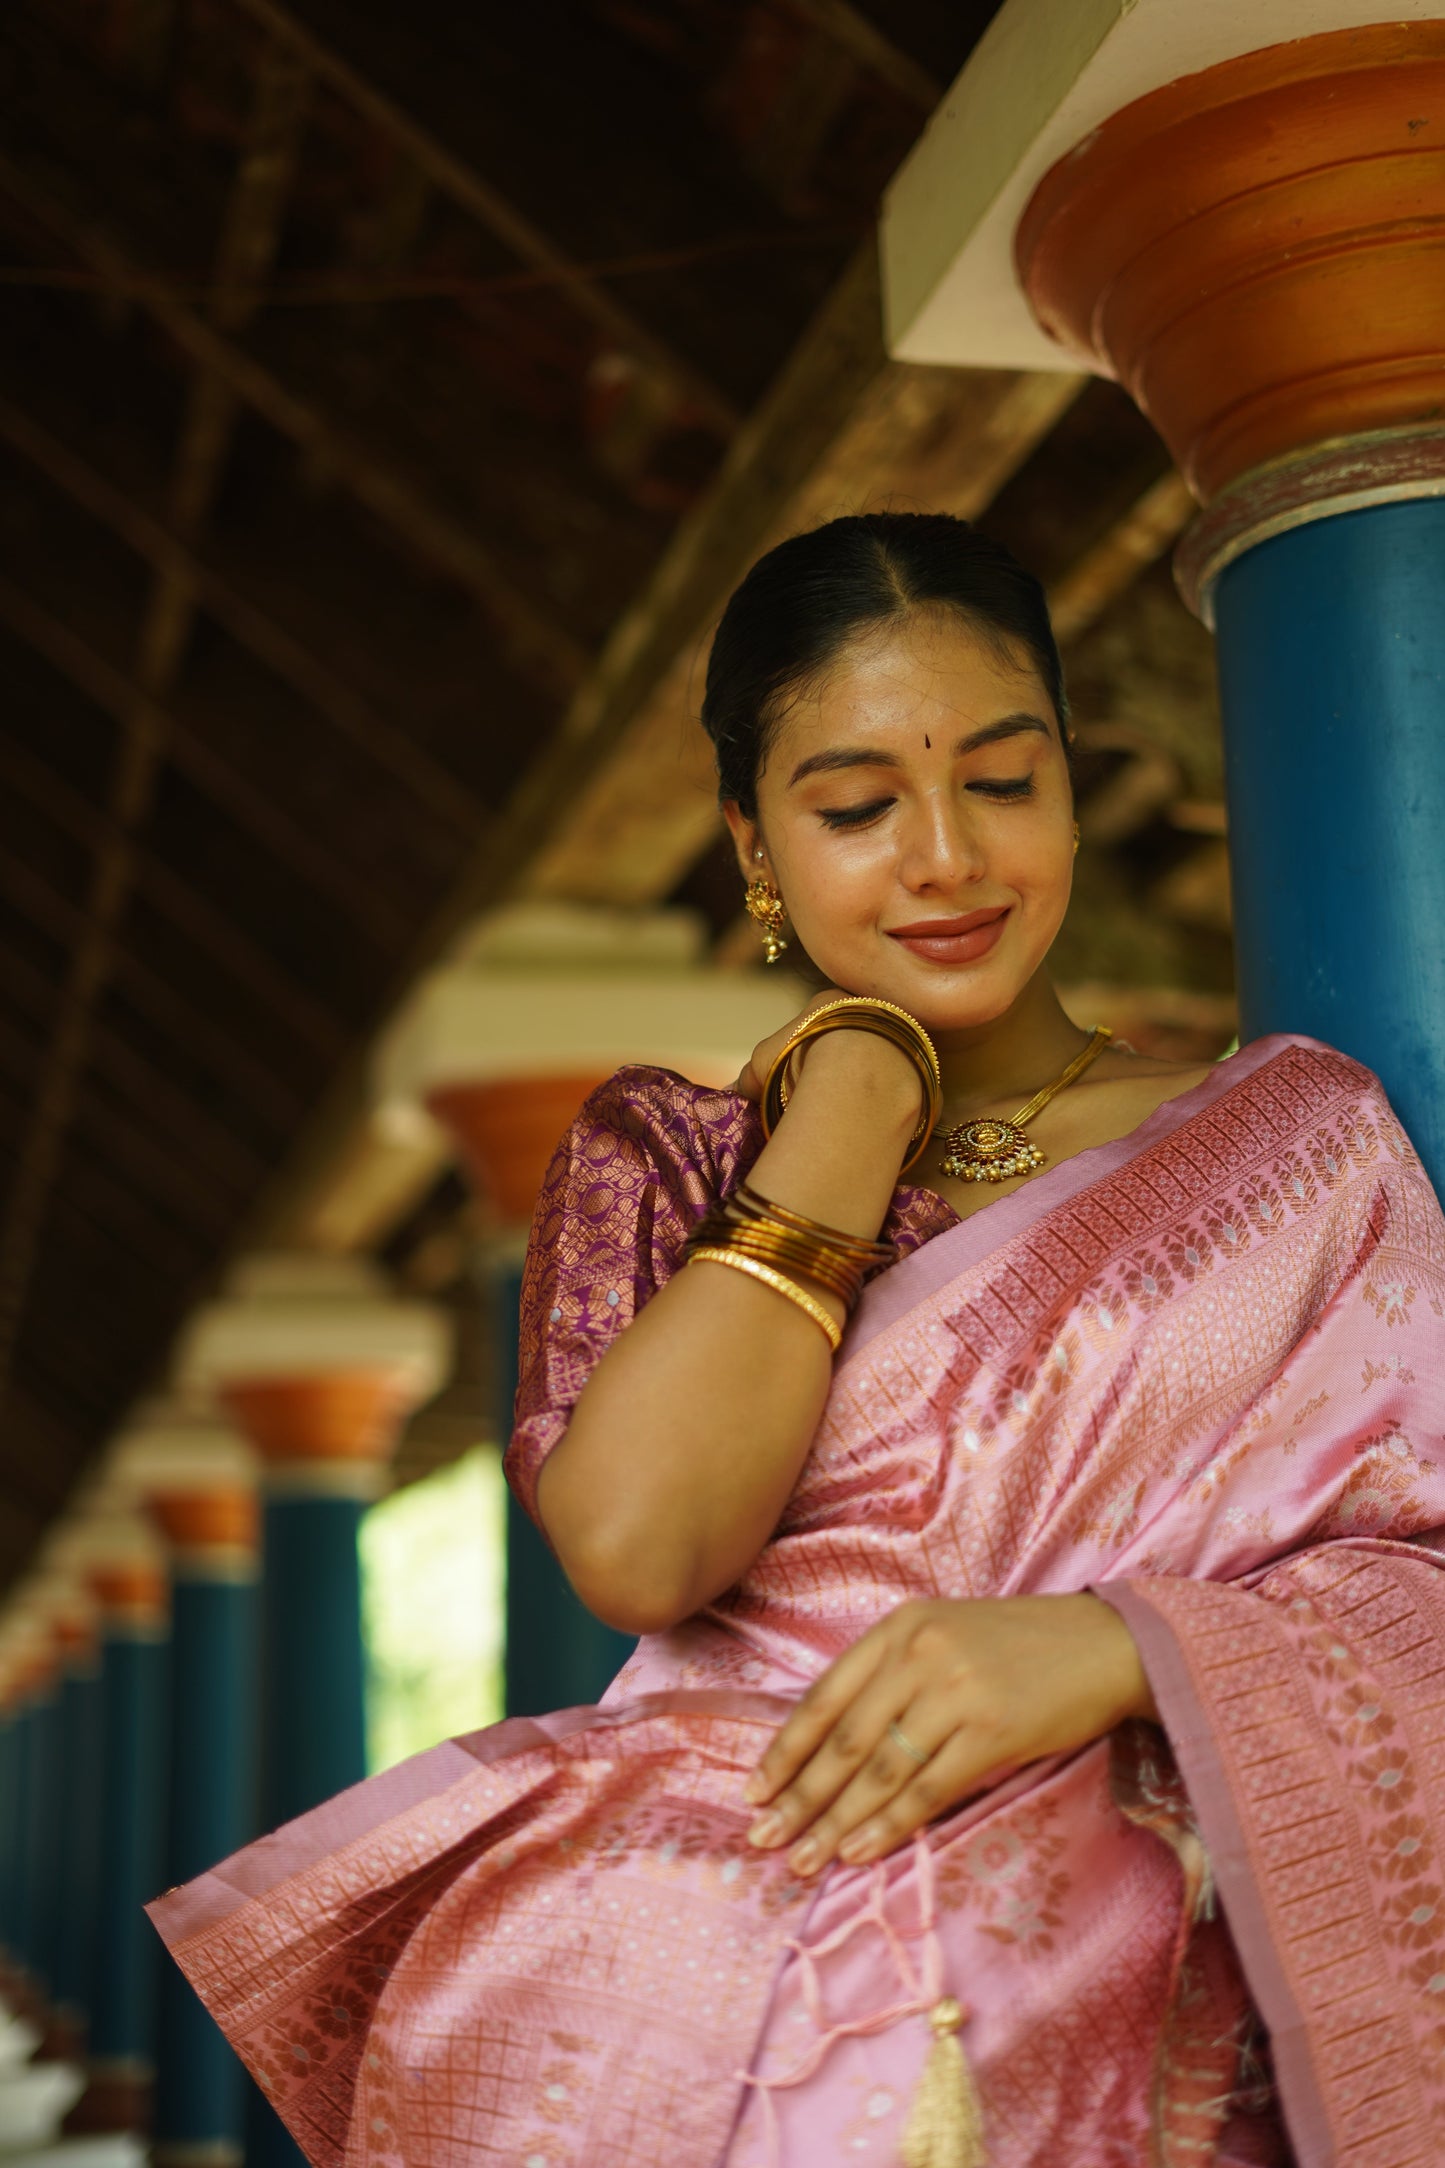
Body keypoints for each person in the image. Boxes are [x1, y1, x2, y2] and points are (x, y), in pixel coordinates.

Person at [151, 514, 1445, 2168]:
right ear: (752, 844)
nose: (946, 859)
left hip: (1122, 1990)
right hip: (673, 1971)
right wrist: (850, 1098)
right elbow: (638, 1547)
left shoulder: (1292, 1150)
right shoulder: (674, 1162)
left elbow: (1420, 1562)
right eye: (853, 807)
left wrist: (1121, 1649)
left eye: (1002, 779)